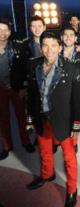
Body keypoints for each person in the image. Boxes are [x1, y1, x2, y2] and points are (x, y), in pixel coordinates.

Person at [25, 31, 80, 207]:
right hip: (42, 117)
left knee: (69, 158)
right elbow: (31, 96)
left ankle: (72, 190)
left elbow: (78, 99)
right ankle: (47, 175)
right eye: (45, 45)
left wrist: (76, 125)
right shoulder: (33, 65)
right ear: (40, 47)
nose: (49, 50)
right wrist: (29, 118)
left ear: (59, 47)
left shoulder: (72, 67)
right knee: (44, 151)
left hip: (63, 121)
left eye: (53, 46)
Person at [0, 18, 34, 158]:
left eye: (5, 30)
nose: (3, 33)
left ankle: (25, 142)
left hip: (16, 88)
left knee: (22, 117)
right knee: (3, 119)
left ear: (10, 31)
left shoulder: (16, 46)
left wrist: (24, 87)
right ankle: (7, 146)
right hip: (0, 90)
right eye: (0, 29)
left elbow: (26, 67)